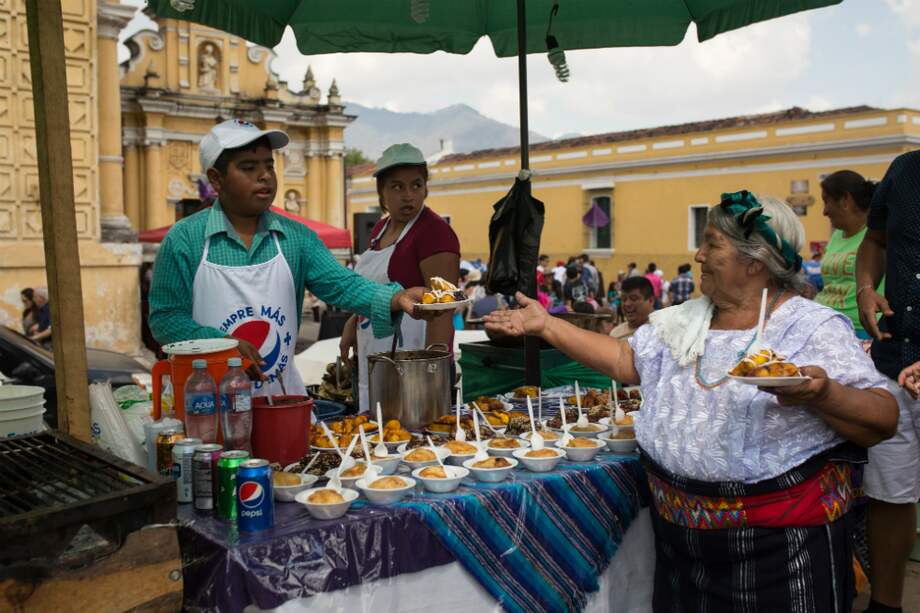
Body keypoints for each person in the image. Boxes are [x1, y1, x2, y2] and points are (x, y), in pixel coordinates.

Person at [487, 190, 896, 613]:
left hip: (780, 554)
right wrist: (547, 326)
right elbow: (628, 360)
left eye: (713, 243)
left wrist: (823, 394)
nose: (698, 254)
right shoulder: (688, 317)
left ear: (755, 260)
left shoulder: (808, 327)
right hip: (682, 551)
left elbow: (883, 417)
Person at [149, 120, 436, 398]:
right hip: (205, 407)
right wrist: (223, 345)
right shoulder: (185, 239)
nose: (265, 176)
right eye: (249, 167)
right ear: (216, 179)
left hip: (282, 401)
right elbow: (166, 320)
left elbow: (342, 284)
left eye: (269, 165)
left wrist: (395, 298)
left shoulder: (295, 238)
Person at [340, 143, 460, 411]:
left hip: (413, 365)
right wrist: (352, 324)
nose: (409, 196)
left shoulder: (434, 233)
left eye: (416, 185)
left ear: (426, 187)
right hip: (377, 353)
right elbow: (374, 289)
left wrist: (430, 374)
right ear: (381, 191)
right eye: (397, 187)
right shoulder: (381, 228)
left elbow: (442, 311)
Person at [855, 150, 920, 613]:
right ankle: (886, 605)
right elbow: (874, 242)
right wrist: (865, 287)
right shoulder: (904, 170)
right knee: (890, 494)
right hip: (893, 357)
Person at [814, 170, 880, 341]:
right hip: (823, 323)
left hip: (859, 331)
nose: (824, 211)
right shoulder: (836, 235)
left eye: (826, 201)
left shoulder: (876, 236)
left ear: (845, 200)